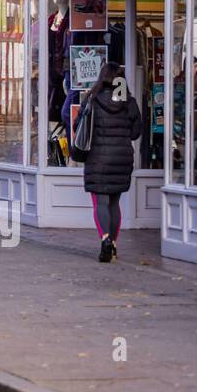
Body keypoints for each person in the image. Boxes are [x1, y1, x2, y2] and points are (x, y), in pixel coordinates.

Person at [80, 60, 142, 263]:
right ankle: (113, 245)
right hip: (122, 157)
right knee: (114, 202)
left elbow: (77, 127)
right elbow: (135, 133)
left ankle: (105, 239)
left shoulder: (92, 99)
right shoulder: (129, 102)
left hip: (98, 157)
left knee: (101, 202)